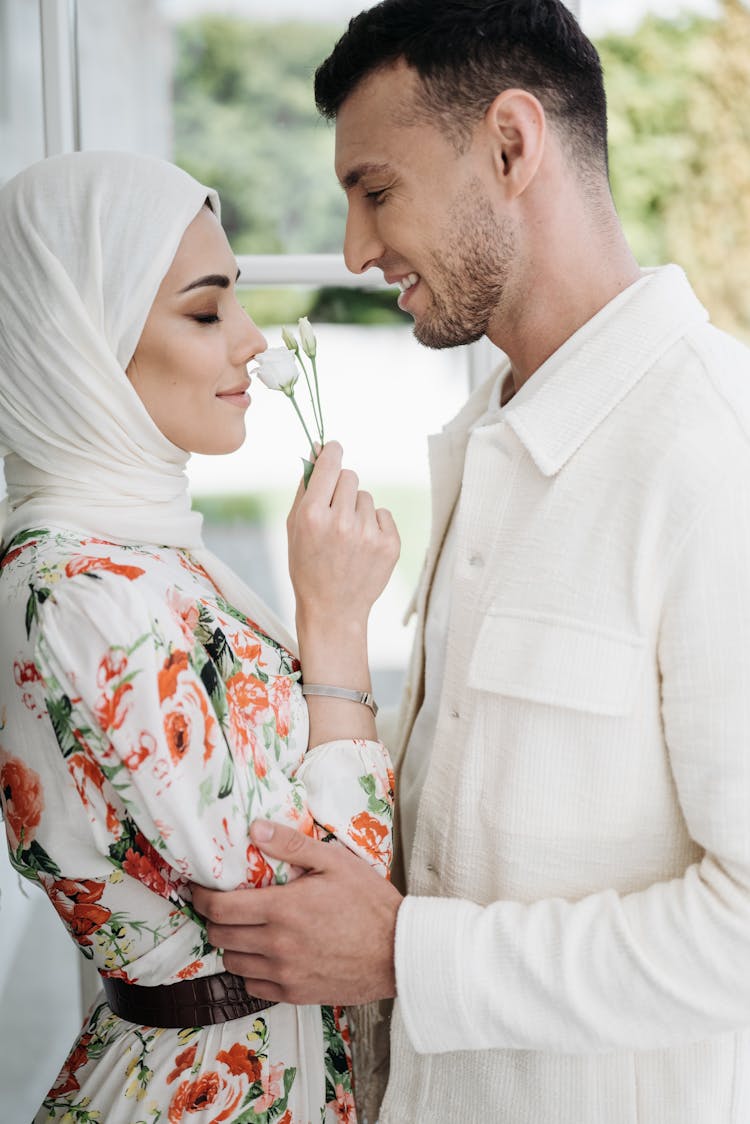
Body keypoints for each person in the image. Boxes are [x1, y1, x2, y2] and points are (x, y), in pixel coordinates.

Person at [190, 1, 750, 1123]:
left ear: (510, 144)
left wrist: (409, 952)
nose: (354, 248)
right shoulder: (490, 436)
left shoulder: (711, 452)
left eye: (377, 190)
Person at [0, 150, 401, 1123]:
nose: (252, 340)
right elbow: (307, 910)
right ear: (80, 341)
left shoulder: (161, 559)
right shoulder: (76, 594)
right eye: (206, 308)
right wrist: (337, 627)